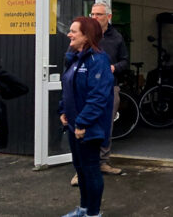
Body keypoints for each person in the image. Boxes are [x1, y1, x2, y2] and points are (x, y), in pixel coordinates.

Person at [59, 16, 114, 217]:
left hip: (89, 127)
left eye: (74, 31)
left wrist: (82, 122)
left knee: (91, 170)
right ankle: (83, 208)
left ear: (87, 35)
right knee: (80, 169)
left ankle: (93, 213)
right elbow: (68, 88)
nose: (69, 34)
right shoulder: (75, 58)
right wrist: (63, 111)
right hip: (74, 125)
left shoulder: (98, 60)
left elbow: (98, 96)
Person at [71, 3, 128, 185]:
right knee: (83, 127)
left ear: (108, 17)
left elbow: (125, 61)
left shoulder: (117, 37)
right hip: (86, 89)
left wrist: (114, 67)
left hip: (110, 88)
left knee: (105, 127)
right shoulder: (85, 36)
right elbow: (72, 59)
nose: (95, 17)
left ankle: (103, 162)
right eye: (92, 14)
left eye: (99, 14)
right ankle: (80, 171)